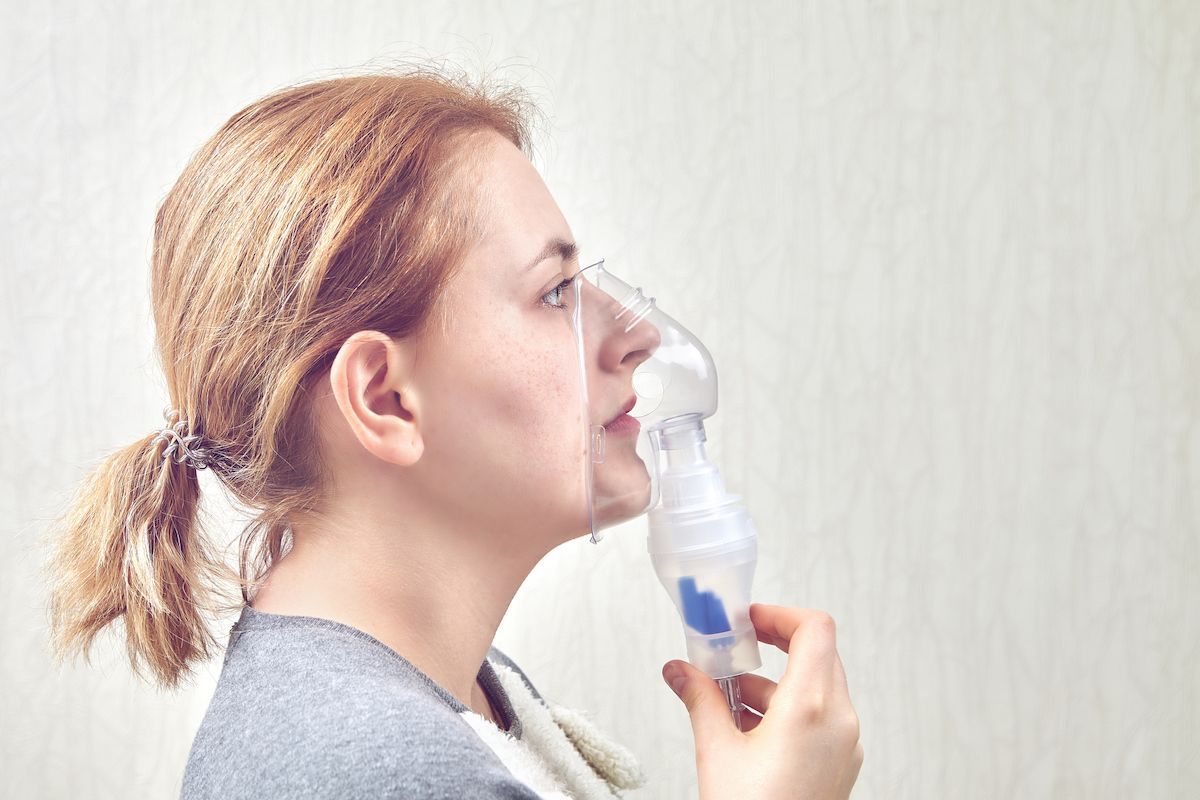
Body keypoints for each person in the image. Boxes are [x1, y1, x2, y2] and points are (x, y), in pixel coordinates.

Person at [44, 66, 862, 798]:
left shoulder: (455, 691)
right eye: (555, 293)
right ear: (386, 399)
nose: (638, 335)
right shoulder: (381, 770)